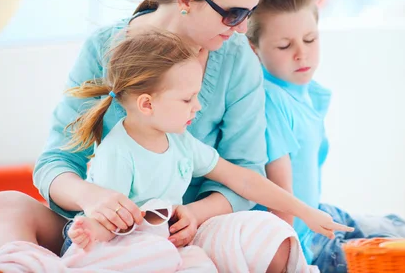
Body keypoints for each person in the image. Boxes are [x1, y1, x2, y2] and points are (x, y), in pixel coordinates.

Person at [0, 0, 294, 272]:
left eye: (249, 14)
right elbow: (57, 162)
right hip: (101, 233)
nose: (240, 28)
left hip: (186, 232)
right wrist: (93, 198)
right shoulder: (103, 48)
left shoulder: (237, 60)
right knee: (3, 205)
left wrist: (192, 214)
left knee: (273, 239)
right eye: (233, 13)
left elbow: (244, 171)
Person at [65, 29, 351, 252]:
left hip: (162, 248)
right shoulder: (118, 152)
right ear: (147, 105)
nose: (198, 106)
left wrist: (305, 212)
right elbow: (105, 226)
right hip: (115, 248)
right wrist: (86, 233)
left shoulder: (181, 143)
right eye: (188, 98)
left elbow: (245, 180)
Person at [247, 0, 405, 272]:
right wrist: (291, 262)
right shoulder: (271, 103)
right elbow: (281, 199)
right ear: (254, 48)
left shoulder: (307, 92)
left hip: (319, 216)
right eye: (285, 46)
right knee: (400, 261)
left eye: (310, 39)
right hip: (303, 241)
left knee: (400, 229)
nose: (302, 53)